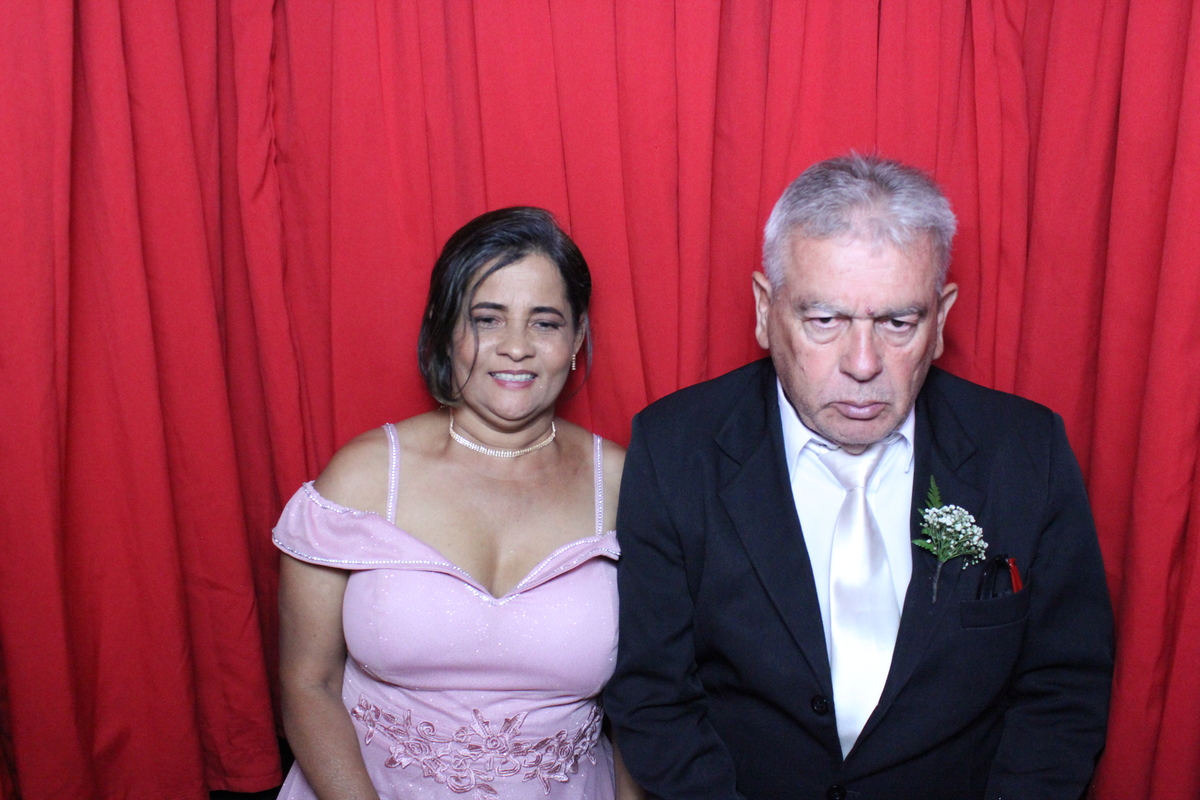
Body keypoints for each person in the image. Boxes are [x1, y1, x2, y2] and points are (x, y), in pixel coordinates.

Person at [604, 155, 1114, 799]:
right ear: (765, 309)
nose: (864, 363)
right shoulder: (675, 448)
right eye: (825, 321)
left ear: (940, 318)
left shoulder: (1025, 450)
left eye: (898, 323)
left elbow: (1064, 688)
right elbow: (654, 694)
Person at [275, 207, 640, 800]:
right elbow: (306, 683)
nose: (516, 347)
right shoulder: (363, 479)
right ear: (446, 330)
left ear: (576, 339)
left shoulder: (628, 486)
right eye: (487, 318)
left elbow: (652, 698)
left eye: (544, 323)